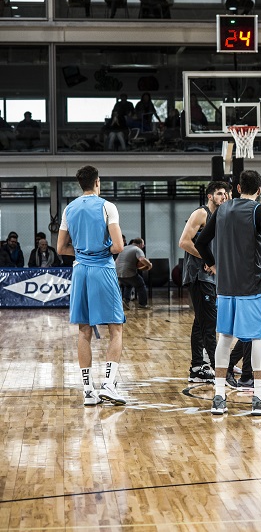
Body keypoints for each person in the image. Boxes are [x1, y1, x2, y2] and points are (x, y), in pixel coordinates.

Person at [195, 170, 261, 416]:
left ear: (236, 189)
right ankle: (258, 397)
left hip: (225, 287)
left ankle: (219, 397)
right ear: (259, 191)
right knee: (257, 339)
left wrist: (213, 265)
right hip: (253, 285)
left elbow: (201, 242)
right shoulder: (260, 210)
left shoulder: (221, 210)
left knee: (224, 338)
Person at [56, 165, 127, 406]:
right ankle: (108, 384)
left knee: (83, 331)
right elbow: (118, 246)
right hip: (101, 270)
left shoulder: (69, 208)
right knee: (115, 328)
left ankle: (88, 391)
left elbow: (61, 248)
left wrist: (83, 252)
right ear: (98, 182)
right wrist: (98, 251)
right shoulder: (107, 206)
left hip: (79, 271)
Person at [178, 181, 229, 385]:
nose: (223, 197)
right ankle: (219, 371)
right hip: (199, 276)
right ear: (210, 196)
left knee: (201, 321)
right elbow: (184, 242)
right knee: (209, 323)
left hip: (212, 276)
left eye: (226, 193)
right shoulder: (201, 214)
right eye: (219, 193)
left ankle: (197, 367)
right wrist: (208, 259)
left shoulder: (223, 216)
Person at [115, 238, 152, 309]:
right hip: (128, 272)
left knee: (128, 285)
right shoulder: (137, 249)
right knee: (141, 285)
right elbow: (142, 259)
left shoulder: (124, 248)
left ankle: (125, 301)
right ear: (140, 244)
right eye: (143, 245)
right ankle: (143, 304)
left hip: (118, 273)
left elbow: (117, 261)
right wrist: (149, 265)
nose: (143, 246)